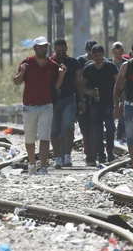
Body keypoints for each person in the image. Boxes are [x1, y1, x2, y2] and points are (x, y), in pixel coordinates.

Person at [13, 37, 64, 175]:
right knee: (29, 138)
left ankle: (43, 167)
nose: (43, 49)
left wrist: (61, 76)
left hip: (46, 106)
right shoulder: (27, 63)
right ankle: (31, 164)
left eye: (45, 46)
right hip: (29, 106)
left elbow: (56, 87)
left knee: (44, 136)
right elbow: (16, 81)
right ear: (34, 48)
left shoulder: (53, 65)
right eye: (40, 46)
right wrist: (22, 72)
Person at [80, 44, 119, 164]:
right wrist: (89, 92)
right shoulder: (88, 69)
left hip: (109, 101)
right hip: (95, 103)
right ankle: (100, 154)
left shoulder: (111, 67)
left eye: (100, 55)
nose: (98, 58)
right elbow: (82, 86)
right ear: (92, 56)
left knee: (110, 127)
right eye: (96, 55)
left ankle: (110, 151)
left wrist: (119, 102)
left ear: (104, 54)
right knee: (97, 129)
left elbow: (119, 83)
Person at [51, 38, 83, 168]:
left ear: (67, 49)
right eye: (58, 52)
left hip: (69, 99)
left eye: (63, 51)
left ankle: (67, 156)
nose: (61, 54)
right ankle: (58, 157)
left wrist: (82, 101)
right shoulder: (50, 63)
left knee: (69, 128)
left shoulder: (73, 62)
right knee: (54, 131)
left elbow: (79, 82)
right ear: (54, 50)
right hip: (53, 101)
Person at [76, 39, 99, 166]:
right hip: (82, 98)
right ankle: (88, 152)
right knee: (85, 128)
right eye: (90, 50)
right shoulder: (79, 61)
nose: (92, 53)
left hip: (97, 100)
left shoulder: (101, 61)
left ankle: (93, 154)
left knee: (94, 128)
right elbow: (77, 81)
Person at [110, 42, 129, 143]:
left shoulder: (127, 64)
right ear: (112, 52)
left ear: (122, 52)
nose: (117, 55)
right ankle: (112, 135)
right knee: (111, 113)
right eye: (115, 53)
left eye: (119, 53)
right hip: (111, 92)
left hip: (124, 91)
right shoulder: (109, 64)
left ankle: (120, 136)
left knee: (123, 113)